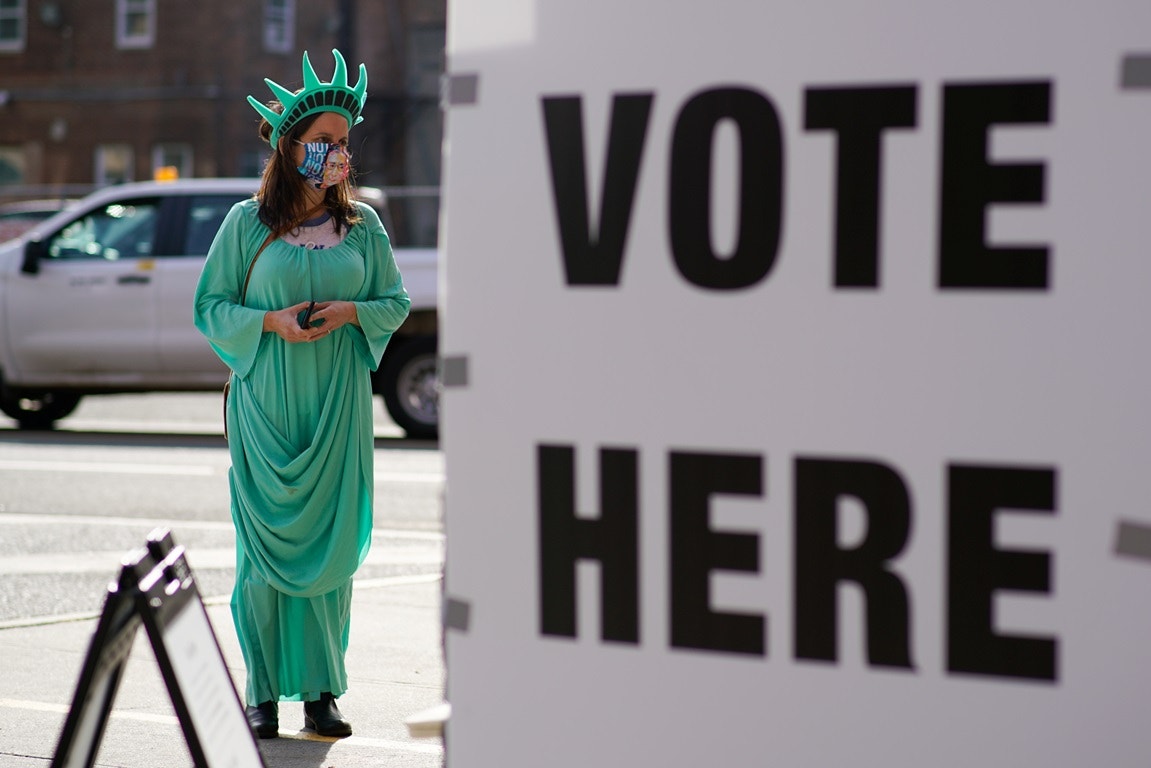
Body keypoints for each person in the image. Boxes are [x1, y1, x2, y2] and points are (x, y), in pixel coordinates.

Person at [193, 49, 411, 739]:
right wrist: (270, 322)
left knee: (331, 548)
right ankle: (261, 693)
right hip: (265, 399)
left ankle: (321, 692)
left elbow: (395, 301)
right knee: (262, 554)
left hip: (339, 399)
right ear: (289, 150)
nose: (335, 154)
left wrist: (350, 312)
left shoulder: (365, 227)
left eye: (343, 144)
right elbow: (210, 307)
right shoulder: (245, 225)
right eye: (322, 143)